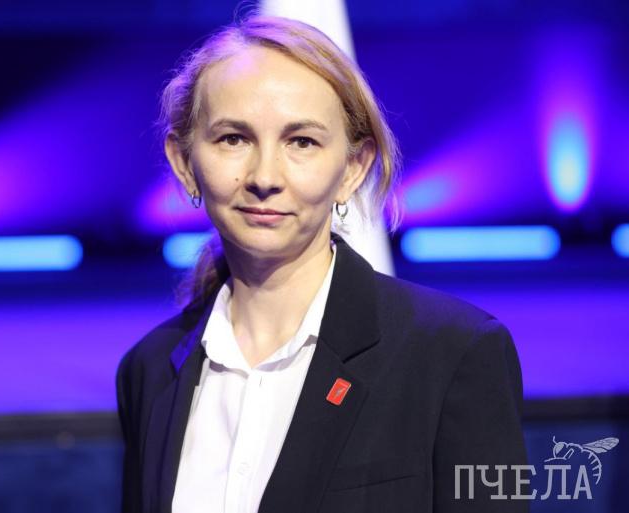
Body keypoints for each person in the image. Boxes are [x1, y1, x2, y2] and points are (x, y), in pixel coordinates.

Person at [116, 14, 528, 513]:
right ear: (184, 163)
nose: (264, 177)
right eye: (233, 139)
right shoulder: (149, 371)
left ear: (353, 169)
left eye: (302, 142)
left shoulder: (454, 353)